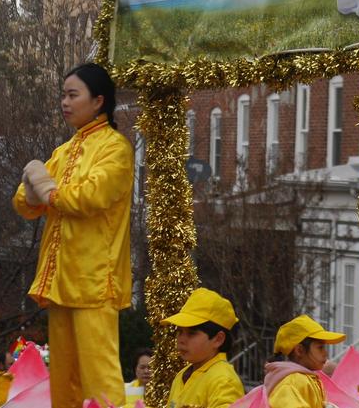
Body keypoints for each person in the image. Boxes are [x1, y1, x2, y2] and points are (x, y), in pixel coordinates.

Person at [12, 63, 133, 408]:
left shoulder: (115, 148)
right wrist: (36, 189)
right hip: (60, 281)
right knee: (64, 384)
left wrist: (46, 188)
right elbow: (23, 203)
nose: (64, 102)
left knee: (100, 379)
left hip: (95, 281)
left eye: (72, 95)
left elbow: (87, 197)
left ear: (98, 101)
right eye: (63, 95)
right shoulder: (65, 151)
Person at [161, 288, 244, 408]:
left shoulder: (224, 381)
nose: (181, 339)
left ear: (218, 339)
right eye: (179, 331)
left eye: (192, 333)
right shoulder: (182, 375)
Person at [264, 315, 345, 408]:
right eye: (320, 348)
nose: (325, 353)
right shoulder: (291, 382)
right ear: (299, 350)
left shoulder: (305, 379)